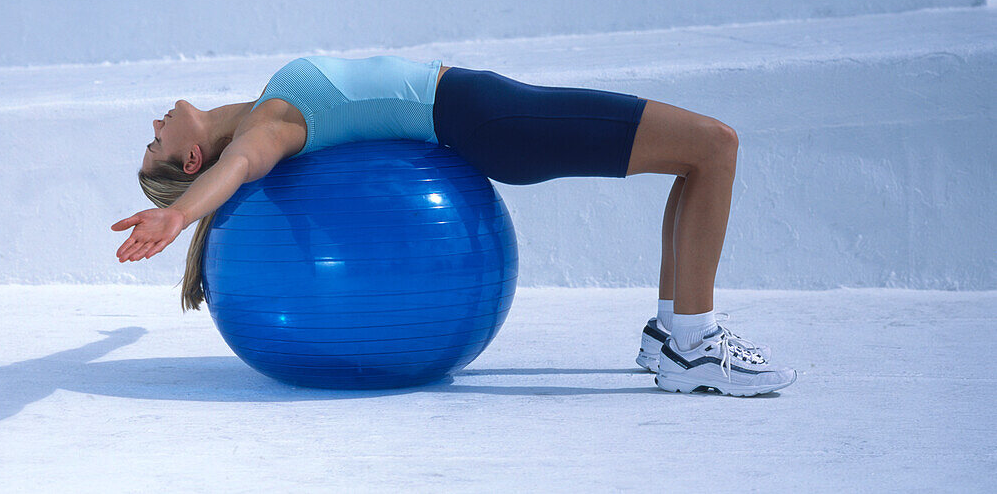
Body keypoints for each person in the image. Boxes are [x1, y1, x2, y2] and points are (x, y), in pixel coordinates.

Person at [112, 54, 796, 396]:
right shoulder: (265, 130)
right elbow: (237, 172)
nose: (154, 126)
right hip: (492, 121)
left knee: (695, 156)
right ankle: (695, 342)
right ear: (193, 157)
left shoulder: (267, 105)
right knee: (713, 146)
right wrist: (177, 213)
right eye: (156, 146)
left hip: (489, 110)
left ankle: (672, 335)